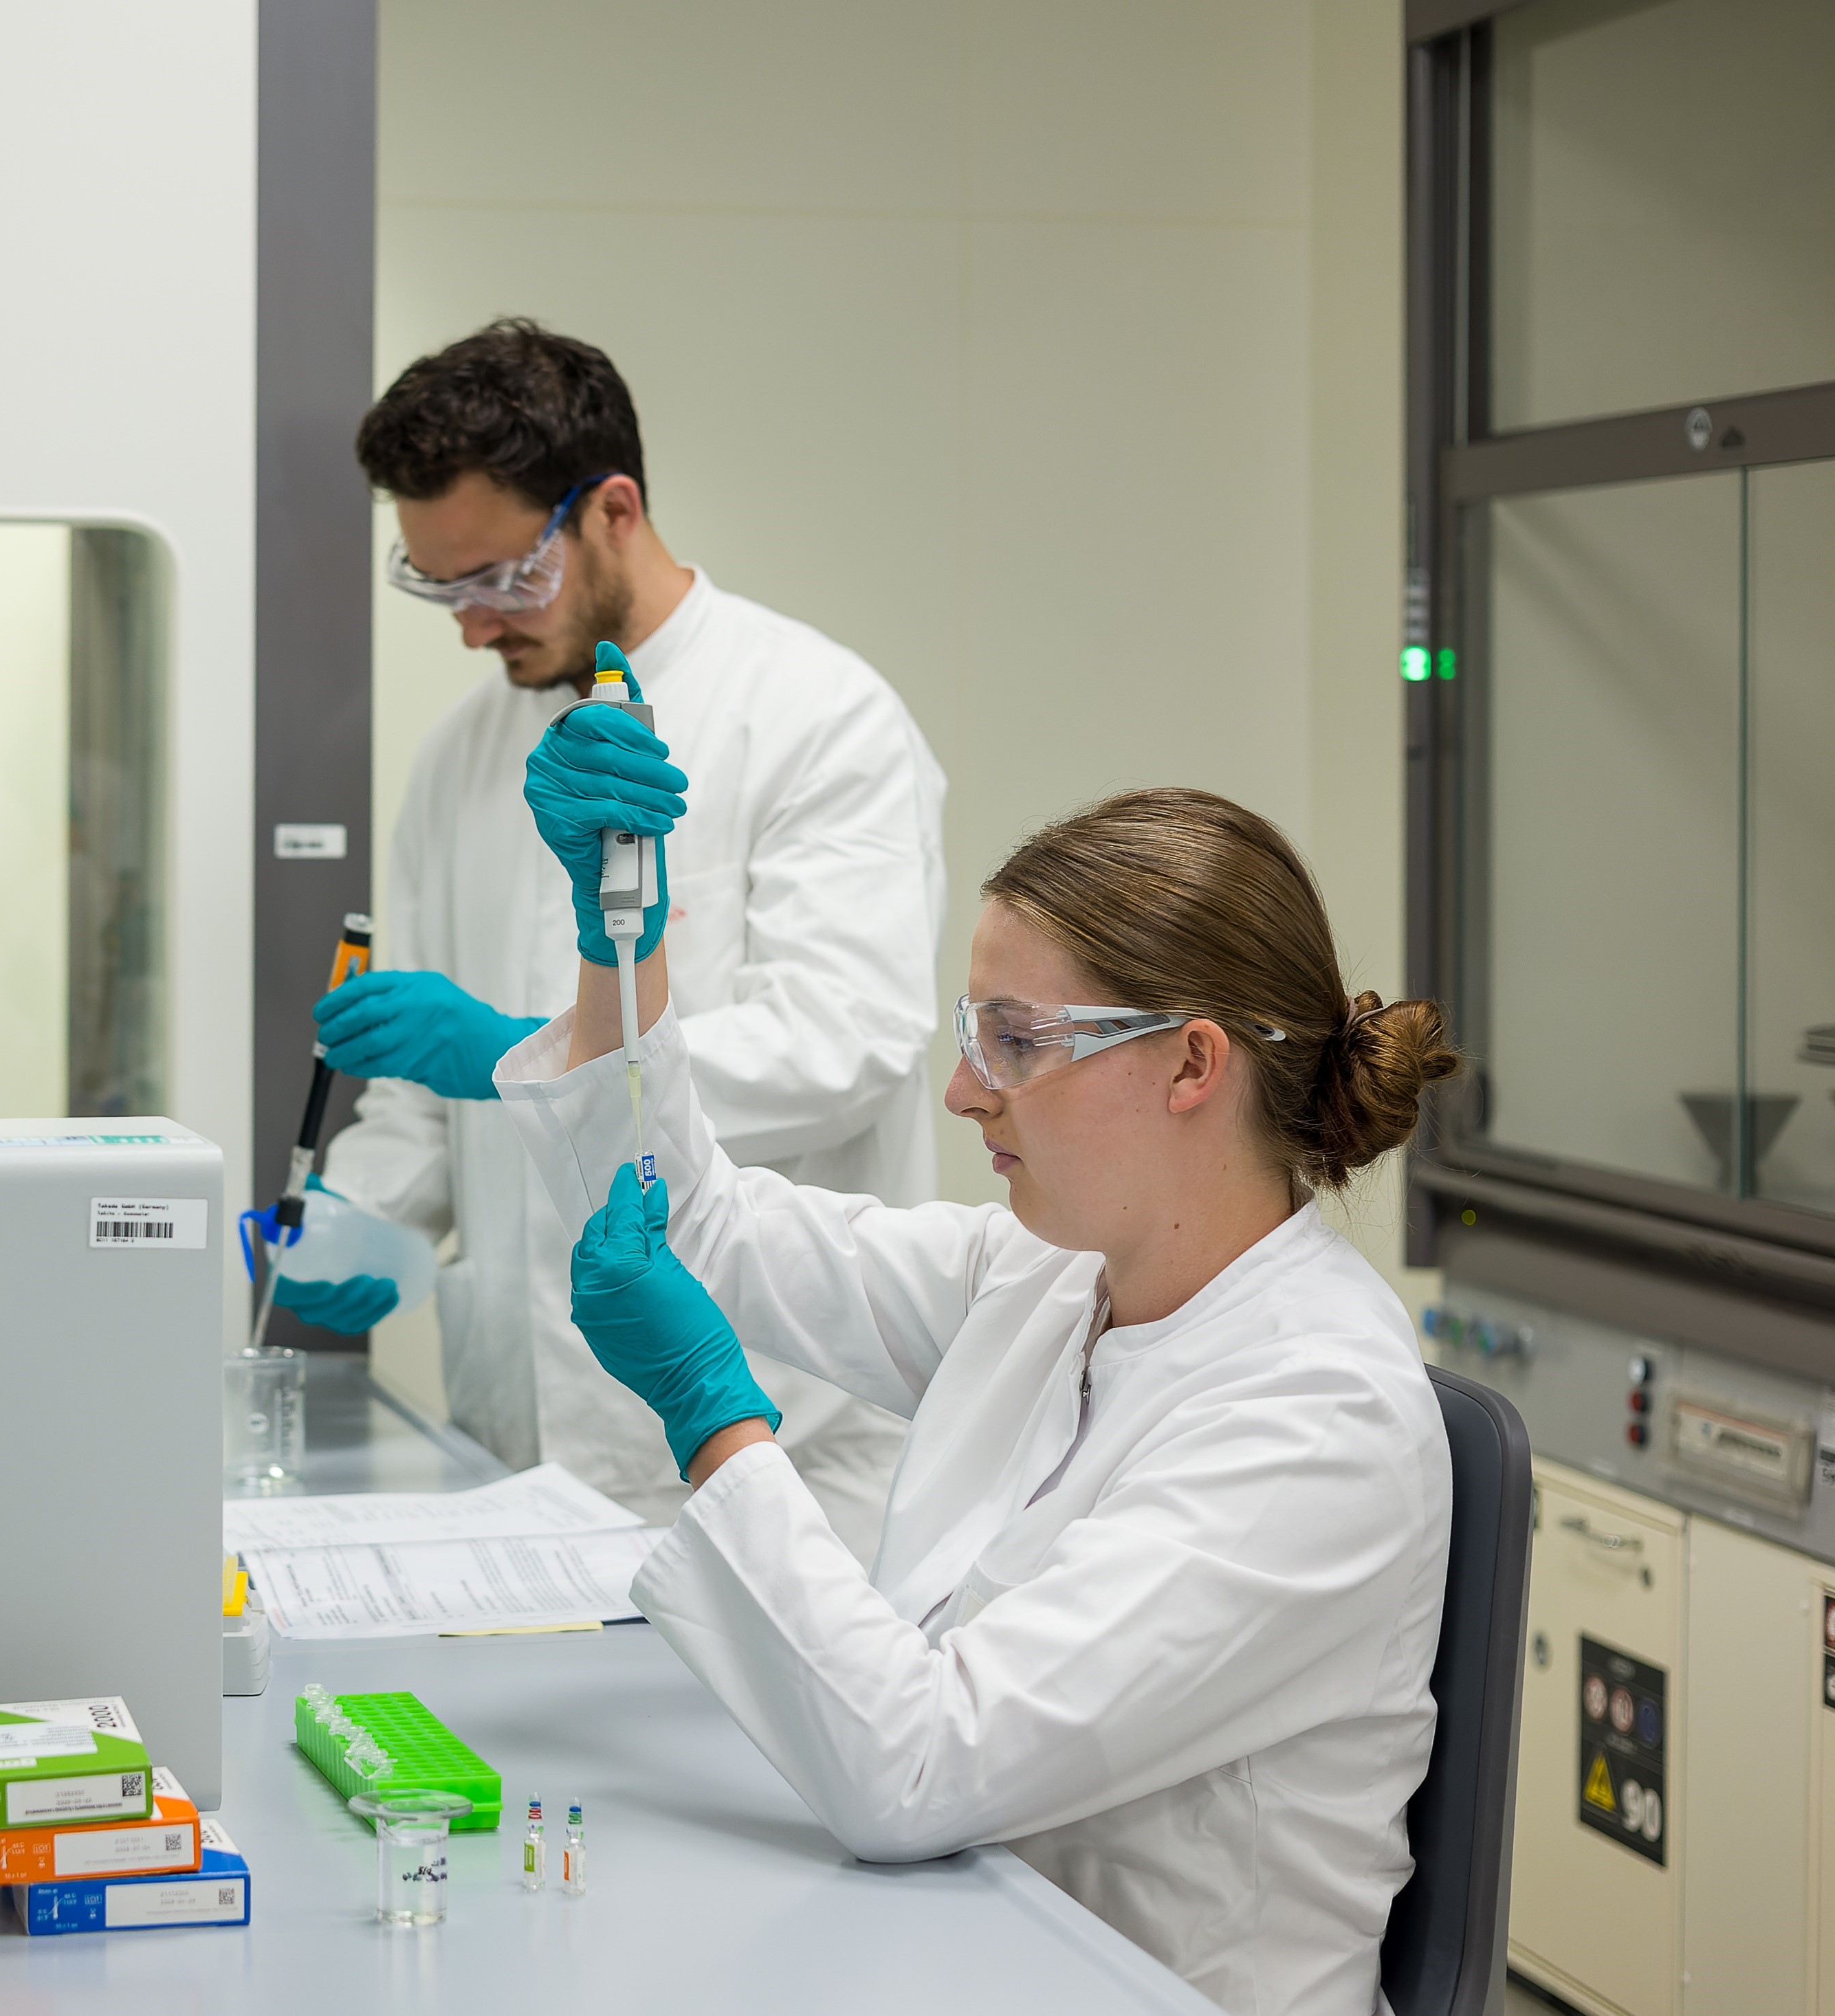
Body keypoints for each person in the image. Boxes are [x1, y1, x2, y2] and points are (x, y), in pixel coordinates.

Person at [494, 737, 1465, 2016]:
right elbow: (698, 1228)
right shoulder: (1052, 1280)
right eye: (972, 1033)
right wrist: (620, 951)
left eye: (1015, 1039)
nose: (964, 1090)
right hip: (951, 1947)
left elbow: (917, 1768)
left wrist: (717, 1420)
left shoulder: (1321, 1415)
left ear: (1191, 1063)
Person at [283, 318, 944, 1540]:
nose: (475, 627)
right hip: (515, 1442)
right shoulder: (459, 757)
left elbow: (845, 1044)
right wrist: (355, 1216)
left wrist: (522, 1045)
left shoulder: (815, 717)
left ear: (615, 511)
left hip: (772, 1435)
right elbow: (428, 1105)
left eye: (503, 578)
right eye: (443, 586)